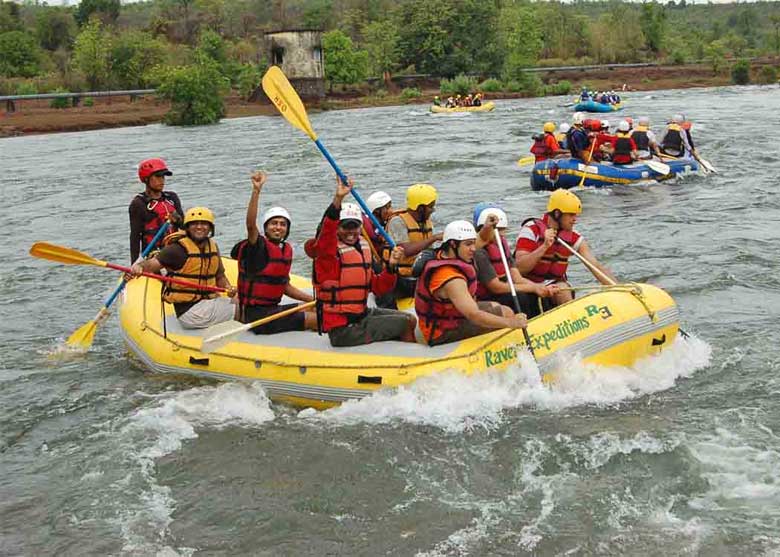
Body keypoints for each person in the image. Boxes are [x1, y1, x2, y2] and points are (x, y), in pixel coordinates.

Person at [310, 177, 416, 347]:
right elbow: (327, 229)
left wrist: (391, 265)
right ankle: (410, 363)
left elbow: (380, 287)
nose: (351, 231)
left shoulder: (363, 248)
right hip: (343, 329)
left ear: (361, 228)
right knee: (403, 324)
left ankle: (398, 356)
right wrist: (338, 199)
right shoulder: (328, 254)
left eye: (355, 226)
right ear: (338, 228)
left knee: (409, 319)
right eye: (345, 226)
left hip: (361, 315)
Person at [415, 220, 527, 346]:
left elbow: (483, 239)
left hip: (453, 315)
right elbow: (474, 315)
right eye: (468, 244)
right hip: (443, 332)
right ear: (453, 244)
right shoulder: (450, 278)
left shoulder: (447, 253)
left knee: (502, 308)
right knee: (507, 316)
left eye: (473, 243)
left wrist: (487, 226)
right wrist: (511, 323)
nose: (474, 249)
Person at [230, 171, 316, 335]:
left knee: (315, 308)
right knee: (318, 320)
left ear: (287, 229)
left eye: (283, 224)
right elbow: (250, 225)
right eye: (273, 223)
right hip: (257, 317)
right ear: (266, 227)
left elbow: (285, 287)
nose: (278, 227)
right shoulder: (258, 247)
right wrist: (256, 191)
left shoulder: (285, 250)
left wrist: (311, 300)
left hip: (272, 311)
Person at [130, 206, 237, 329]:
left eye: (204, 224)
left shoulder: (213, 247)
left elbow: (220, 277)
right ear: (187, 227)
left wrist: (229, 288)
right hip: (190, 312)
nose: (199, 227)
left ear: (210, 228)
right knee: (247, 309)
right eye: (194, 224)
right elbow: (152, 264)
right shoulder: (177, 250)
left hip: (208, 303)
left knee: (243, 300)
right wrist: (139, 266)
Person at [514, 189, 617, 306]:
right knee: (559, 291)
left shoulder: (574, 238)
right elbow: (520, 268)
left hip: (555, 286)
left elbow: (596, 266)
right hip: (529, 285)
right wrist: (544, 247)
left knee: (563, 289)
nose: (575, 220)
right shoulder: (531, 230)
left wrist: (618, 288)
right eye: (571, 215)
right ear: (557, 214)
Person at [473, 207, 557, 319]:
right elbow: (496, 287)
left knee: (538, 295)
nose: (501, 234)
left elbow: (517, 278)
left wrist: (539, 287)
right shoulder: (479, 253)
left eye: (503, 230)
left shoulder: (502, 245)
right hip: (488, 296)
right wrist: (532, 288)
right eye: (498, 230)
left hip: (504, 290)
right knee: (521, 297)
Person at [382, 183, 443, 303]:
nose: (433, 210)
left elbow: (429, 252)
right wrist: (433, 238)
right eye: (431, 206)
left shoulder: (426, 222)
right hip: (401, 280)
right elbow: (405, 250)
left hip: (419, 277)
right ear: (420, 208)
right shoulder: (397, 222)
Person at [128, 158, 184, 263]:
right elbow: (135, 237)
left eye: (163, 177)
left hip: (175, 251)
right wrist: (134, 264)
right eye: (157, 176)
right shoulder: (138, 204)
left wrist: (178, 220)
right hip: (153, 255)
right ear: (146, 179)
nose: (162, 180)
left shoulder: (172, 197)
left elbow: (185, 226)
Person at [362, 190, 393, 261]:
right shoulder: (365, 227)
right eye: (387, 207)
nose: (391, 211)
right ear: (377, 211)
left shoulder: (380, 227)